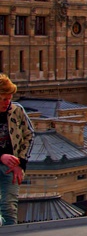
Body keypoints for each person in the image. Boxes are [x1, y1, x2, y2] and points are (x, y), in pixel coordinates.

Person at [0, 74, 34, 226]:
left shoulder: (16, 111)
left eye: (9, 98)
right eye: (3, 99)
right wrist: (1, 156)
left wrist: (21, 164)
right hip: (5, 162)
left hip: (11, 168)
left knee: (9, 208)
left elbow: (29, 135)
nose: (7, 103)